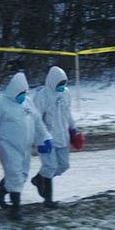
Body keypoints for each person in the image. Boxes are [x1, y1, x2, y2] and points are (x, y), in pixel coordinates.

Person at [0, 72, 52, 221]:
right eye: (21, 92)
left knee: (22, 175)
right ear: (13, 90)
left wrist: (45, 138)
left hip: (25, 147)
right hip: (7, 146)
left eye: (25, 92)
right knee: (14, 175)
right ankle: (15, 210)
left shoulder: (27, 102)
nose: (23, 95)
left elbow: (38, 122)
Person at [30, 66, 78, 208]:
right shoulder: (42, 95)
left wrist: (73, 129)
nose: (62, 86)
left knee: (63, 165)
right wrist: (41, 138)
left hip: (63, 136)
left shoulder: (66, 94)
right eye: (59, 84)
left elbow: (67, 113)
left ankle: (39, 179)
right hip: (47, 138)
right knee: (50, 166)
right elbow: (35, 118)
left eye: (64, 83)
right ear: (52, 82)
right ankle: (48, 200)